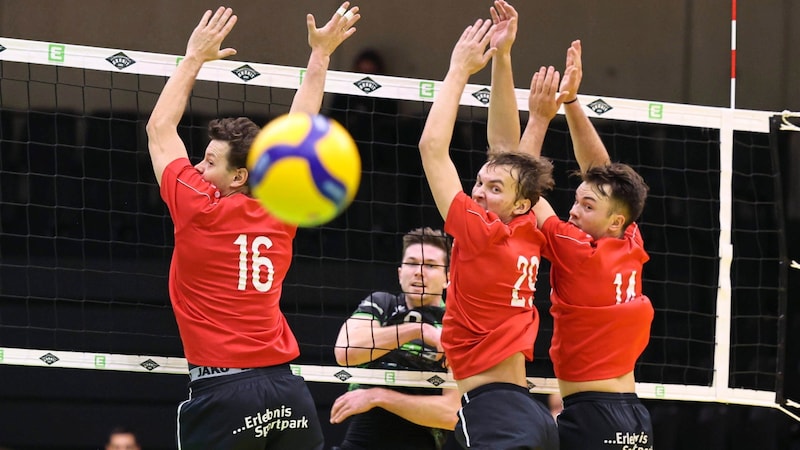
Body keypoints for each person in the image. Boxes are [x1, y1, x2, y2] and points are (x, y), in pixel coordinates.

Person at [144, 3, 360, 449]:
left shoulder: (197, 206)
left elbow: (160, 127)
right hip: (286, 392)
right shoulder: (284, 210)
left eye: (209, 161)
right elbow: (302, 127)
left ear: (240, 177)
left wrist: (194, 57)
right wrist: (320, 55)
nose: (200, 169)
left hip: (224, 396)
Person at [417, 9, 558, 449]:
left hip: (494, 411)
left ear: (518, 203)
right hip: (524, 410)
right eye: (477, 182)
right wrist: (503, 57)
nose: (477, 193)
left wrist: (459, 68)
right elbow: (509, 155)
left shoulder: (483, 233)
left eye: (491, 188)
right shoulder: (529, 229)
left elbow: (431, 148)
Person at [503, 40, 655, 449]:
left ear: (614, 220)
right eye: (574, 201)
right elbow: (600, 174)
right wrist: (572, 102)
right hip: (635, 418)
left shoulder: (578, 250)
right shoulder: (630, 240)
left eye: (585, 206)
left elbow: (519, 189)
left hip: (594, 416)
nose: (572, 211)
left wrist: (539, 118)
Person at [330, 227, 460, 450]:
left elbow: (451, 414)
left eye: (430, 265)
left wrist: (378, 396)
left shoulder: (456, 325)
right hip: (362, 437)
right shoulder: (383, 304)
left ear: (448, 278)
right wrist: (417, 331)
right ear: (400, 273)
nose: (419, 272)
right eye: (411, 263)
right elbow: (345, 351)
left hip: (419, 440)